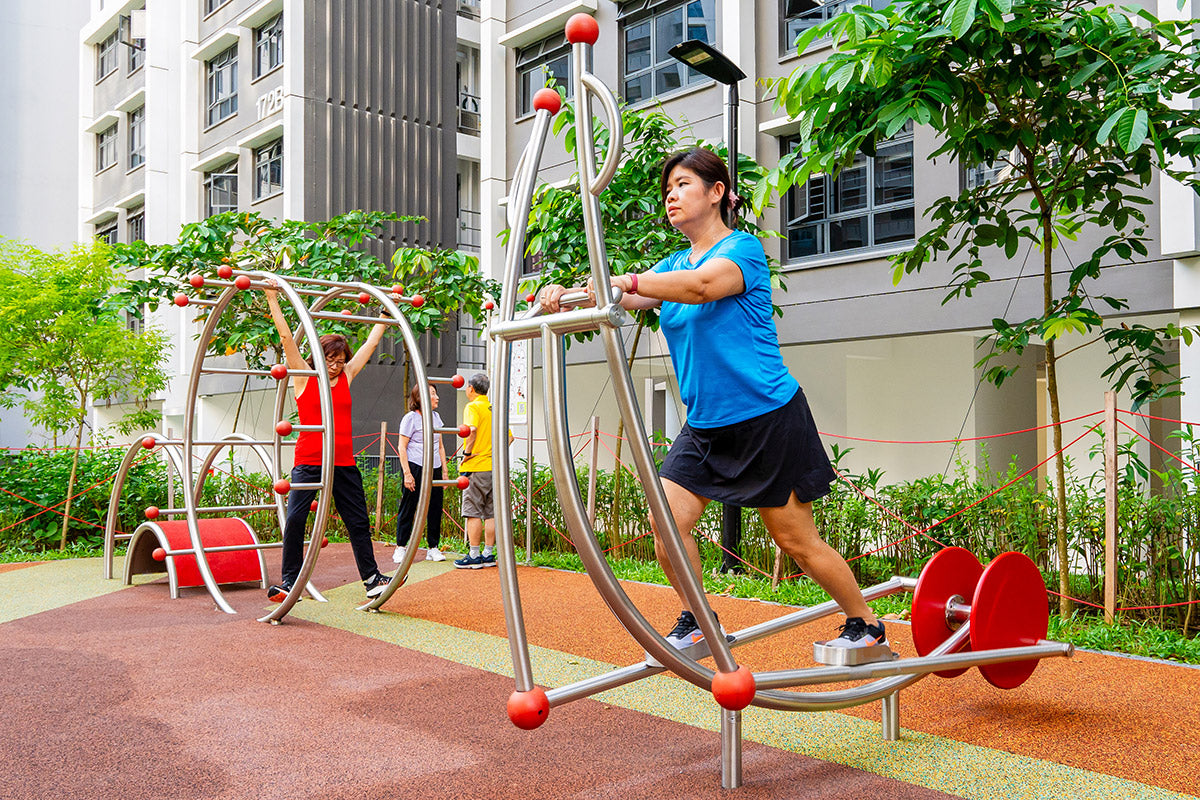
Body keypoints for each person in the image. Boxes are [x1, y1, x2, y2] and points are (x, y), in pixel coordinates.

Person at [539, 147, 886, 653]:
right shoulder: (674, 262)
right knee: (665, 521)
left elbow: (702, 288)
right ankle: (700, 616)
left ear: (716, 192)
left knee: (794, 541)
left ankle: (866, 623)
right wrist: (565, 292)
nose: (671, 196)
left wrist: (624, 281)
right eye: (667, 190)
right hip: (705, 427)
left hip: (766, 417)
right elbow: (627, 296)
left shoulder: (741, 250)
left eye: (681, 184)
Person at [264, 280, 392, 601]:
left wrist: (385, 314)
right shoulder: (303, 376)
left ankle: (372, 579)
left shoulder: (346, 376)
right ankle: (289, 582)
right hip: (309, 461)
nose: (335, 366)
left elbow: (370, 347)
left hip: (344, 462)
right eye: (330, 360)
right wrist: (272, 297)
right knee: (295, 519)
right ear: (318, 357)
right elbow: (285, 338)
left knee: (357, 522)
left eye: (339, 360)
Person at [453, 373, 514, 569]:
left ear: (470, 388)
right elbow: (510, 438)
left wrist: (466, 453)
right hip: (493, 468)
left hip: (475, 467)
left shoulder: (472, 407)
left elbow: (471, 430)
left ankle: (474, 554)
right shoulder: (495, 408)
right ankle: (488, 554)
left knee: (472, 512)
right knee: (491, 512)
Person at [393, 384, 448, 563]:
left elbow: (440, 445)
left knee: (435, 507)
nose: (437, 397)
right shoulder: (410, 418)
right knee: (409, 506)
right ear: (421, 396)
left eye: (436, 393)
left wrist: (445, 472)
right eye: (433, 393)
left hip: (435, 466)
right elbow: (402, 446)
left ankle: (433, 547)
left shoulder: (436, 417)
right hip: (415, 465)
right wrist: (407, 473)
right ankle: (401, 547)